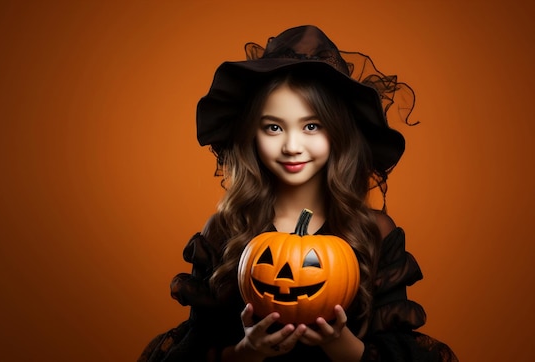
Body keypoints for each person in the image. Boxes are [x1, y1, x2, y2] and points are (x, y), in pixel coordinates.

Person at [139, 25, 458, 361]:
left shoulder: (375, 233)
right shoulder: (224, 231)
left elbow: (396, 347)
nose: (292, 146)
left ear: (337, 134)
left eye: (311, 126)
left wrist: (343, 346)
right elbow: (197, 346)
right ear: (253, 135)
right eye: (273, 127)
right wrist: (245, 352)